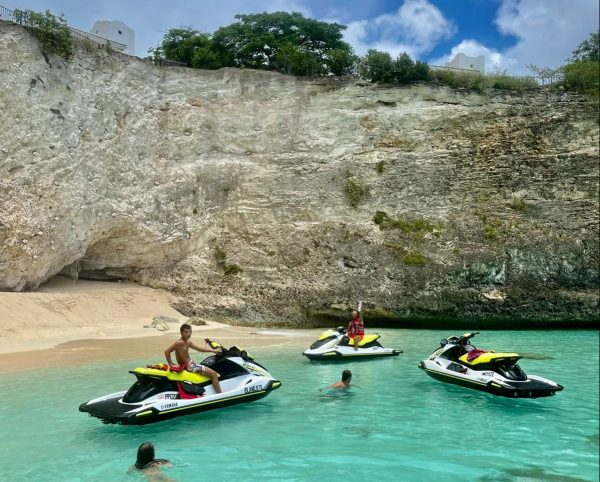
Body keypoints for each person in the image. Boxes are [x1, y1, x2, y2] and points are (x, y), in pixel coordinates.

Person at [164, 323, 223, 393]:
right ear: (181, 333)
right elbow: (167, 351)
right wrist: (171, 364)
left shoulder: (188, 341)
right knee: (213, 374)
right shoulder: (179, 343)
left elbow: (200, 349)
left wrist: (210, 348)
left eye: (190, 331)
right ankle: (220, 394)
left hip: (192, 365)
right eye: (186, 332)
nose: (188, 334)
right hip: (190, 367)